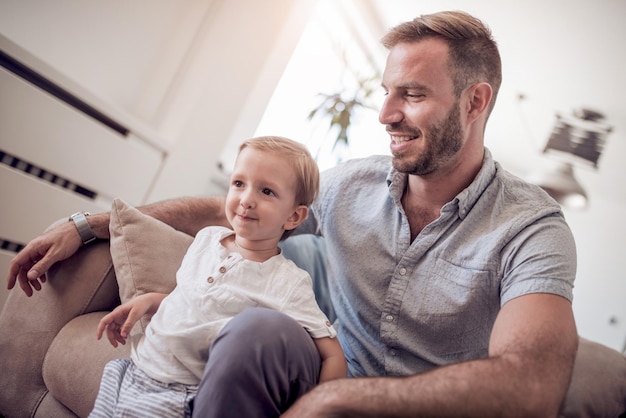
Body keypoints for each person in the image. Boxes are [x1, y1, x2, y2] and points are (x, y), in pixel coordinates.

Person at [6, 10, 578, 418]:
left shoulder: (530, 227)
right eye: (385, 92)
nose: (385, 113)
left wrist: (337, 398)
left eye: (412, 94)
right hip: (306, 374)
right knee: (258, 328)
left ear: (476, 102)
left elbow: (531, 386)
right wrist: (88, 225)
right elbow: (236, 212)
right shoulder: (354, 182)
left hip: (406, 404)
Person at [89, 136, 347, 417]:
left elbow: (333, 354)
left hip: (178, 393)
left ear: (294, 217)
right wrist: (149, 302)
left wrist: (316, 407)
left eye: (267, 192)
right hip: (132, 370)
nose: (247, 199)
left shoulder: (287, 282)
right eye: (239, 183)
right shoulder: (206, 239)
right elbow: (197, 303)